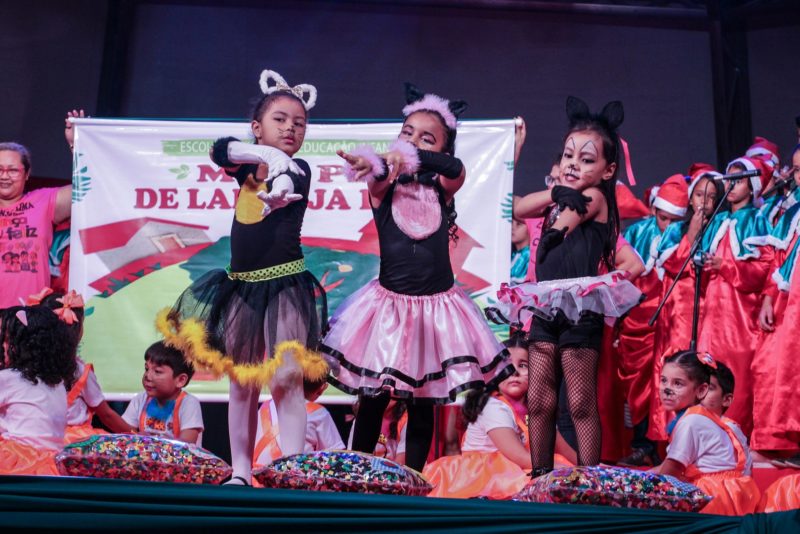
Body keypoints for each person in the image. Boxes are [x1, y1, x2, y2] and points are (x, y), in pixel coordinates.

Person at [322, 83, 513, 472]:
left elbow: (456, 170)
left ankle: (414, 478)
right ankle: (360, 472)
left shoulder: (441, 187)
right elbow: (376, 169)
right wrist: (379, 160)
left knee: (424, 399)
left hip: (435, 311)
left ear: (442, 149)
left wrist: (409, 153)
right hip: (389, 310)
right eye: (407, 133)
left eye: (427, 138)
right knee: (374, 396)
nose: (413, 142)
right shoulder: (384, 186)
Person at [157, 69, 328, 485]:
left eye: (299, 123)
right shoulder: (247, 168)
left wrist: (280, 179)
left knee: (286, 377)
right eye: (279, 120)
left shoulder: (300, 167)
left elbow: (289, 176)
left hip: (285, 285)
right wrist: (265, 155)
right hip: (241, 287)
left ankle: (292, 469)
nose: (290, 128)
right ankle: (240, 471)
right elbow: (220, 150)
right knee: (242, 382)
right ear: (257, 127)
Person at [511, 96, 641, 473]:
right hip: (546, 305)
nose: (573, 164)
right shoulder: (561, 197)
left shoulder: (594, 197)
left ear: (608, 169)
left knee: (580, 403)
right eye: (569, 156)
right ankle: (539, 476)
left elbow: (559, 227)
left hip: (579, 309)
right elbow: (517, 208)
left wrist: (558, 201)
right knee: (539, 401)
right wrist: (555, 191)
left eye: (586, 160)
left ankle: (588, 478)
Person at [423, 336, 575, 499]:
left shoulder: (537, 411)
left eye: (523, 365)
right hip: (483, 479)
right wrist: (567, 471)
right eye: (506, 366)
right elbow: (519, 457)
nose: (514, 372)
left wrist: (585, 469)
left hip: (517, 470)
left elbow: (567, 453)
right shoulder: (494, 407)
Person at [695, 156, 774, 435]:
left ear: (751, 187)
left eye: (738, 181)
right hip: (712, 313)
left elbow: (764, 270)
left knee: (737, 374)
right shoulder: (718, 220)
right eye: (729, 180)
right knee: (707, 370)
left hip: (740, 316)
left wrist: (725, 266)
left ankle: (737, 437)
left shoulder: (756, 219)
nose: (731, 186)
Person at [616, 175, 688, 466]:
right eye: (662, 217)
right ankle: (641, 445)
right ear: (654, 209)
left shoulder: (684, 235)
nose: (667, 225)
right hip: (636, 319)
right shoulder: (636, 232)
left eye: (674, 220)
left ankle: (667, 447)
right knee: (634, 385)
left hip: (669, 319)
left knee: (665, 380)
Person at [647, 168, 723, 442]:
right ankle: (669, 437)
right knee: (675, 366)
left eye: (711, 197)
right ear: (691, 199)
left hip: (706, 308)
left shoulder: (720, 227)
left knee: (699, 368)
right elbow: (671, 262)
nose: (705, 201)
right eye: (700, 195)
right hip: (677, 309)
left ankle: (700, 432)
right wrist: (692, 232)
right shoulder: (676, 229)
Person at [654, 351, 759, 516]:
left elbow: (669, 472)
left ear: (701, 390)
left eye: (678, 384)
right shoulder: (704, 418)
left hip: (712, 497)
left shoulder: (691, 422)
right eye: (663, 380)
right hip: (737, 495)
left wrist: (632, 482)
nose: (667, 389)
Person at [30, 288, 132, 442]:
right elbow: (106, 415)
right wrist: (136, 435)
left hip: (39, 438)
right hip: (75, 442)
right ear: (76, 332)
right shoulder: (79, 371)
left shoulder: (28, 366)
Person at [753, 145, 800, 466]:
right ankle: (781, 443)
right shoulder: (794, 212)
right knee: (776, 365)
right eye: (795, 169)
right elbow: (778, 258)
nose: (796, 175)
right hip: (789, 301)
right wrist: (769, 297)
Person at [0, 305, 76, 475]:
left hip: (17, 459)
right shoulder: (58, 384)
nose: (3, 346)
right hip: (54, 464)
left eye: (7, 340)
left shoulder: (8, 379)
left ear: (21, 346)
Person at [0, 142, 71, 308]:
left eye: (13, 170)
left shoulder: (43, 201)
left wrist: (76, 144)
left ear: (26, 174)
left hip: (30, 315)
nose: (4, 176)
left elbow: (87, 188)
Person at [253, 370, 345, 466]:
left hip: (255, 472)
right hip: (291, 473)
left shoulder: (266, 405)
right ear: (322, 388)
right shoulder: (319, 413)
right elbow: (337, 456)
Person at [122, 341, 204, 445]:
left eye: (157, 371)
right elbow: (124, 433)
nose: (147, 376)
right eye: (146, 369)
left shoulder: (189, 403)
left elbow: (187, 444)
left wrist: (151, 440)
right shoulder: (140, 399)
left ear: (180, 380)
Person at [701, 361, 752, 476]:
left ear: (726, 400)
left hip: (717, 485)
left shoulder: (729, 428)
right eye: (696, 387)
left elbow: (745, 470)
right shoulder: (688, 422)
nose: (699, 393)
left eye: (708, 388)